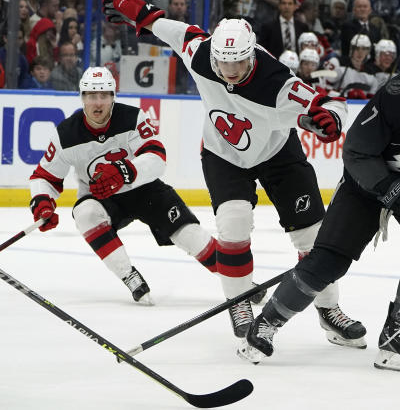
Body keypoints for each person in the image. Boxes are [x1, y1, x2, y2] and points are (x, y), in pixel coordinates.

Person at [103, 0, 366, 356]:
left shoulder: (278, 82)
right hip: (223, 155)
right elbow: (174, 30)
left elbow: (330, 102)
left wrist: (332, 117)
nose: (229, 72)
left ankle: (328, 309)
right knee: (234, 224)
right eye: (223, 64)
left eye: (238, 64)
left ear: (251, 55)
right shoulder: (203, 52)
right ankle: (239, 301)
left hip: (278, 154)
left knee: (312, 237)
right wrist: (143, 15)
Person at [243, 40, 400, 372]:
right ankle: (266, 323)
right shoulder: (394, 95)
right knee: (328, 260)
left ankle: (397, 332)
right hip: (365, 185)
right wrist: (387, 187)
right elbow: (357, 152)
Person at [28, 67, 254, 307]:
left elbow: (157, 157)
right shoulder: (65, 134)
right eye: (92, 95)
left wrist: (125, 172)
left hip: (144, 189)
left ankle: (241, 284)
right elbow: (45, 176)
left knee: (189, 235)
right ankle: (129, 275)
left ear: (113, 96)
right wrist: (42, 201)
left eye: (104, 95)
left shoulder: (133, 117)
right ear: (82, 97)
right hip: (102, 198)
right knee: (85, 214)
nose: (98, 102)